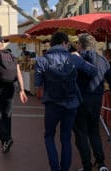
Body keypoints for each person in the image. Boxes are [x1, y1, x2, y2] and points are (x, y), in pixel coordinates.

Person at [34, 31, 97, 171]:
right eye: (68, 44)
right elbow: (93, 71)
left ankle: (54, 168)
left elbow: (38, 87)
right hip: (71, 103)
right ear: (64, 43)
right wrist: (80, 59)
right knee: (66, 138)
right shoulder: (74, 58)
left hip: (52, 104)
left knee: (49, 135)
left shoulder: (41, 60)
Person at [73, 34, 111, 171]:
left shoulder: (76, 59)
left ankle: (87, 166)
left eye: (77, 44)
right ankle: (101, 163)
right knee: (94, 131)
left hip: (79, 101)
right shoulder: (103, 60)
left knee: (81, 134)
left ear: (81, 45)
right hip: (96, 101)